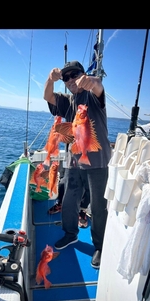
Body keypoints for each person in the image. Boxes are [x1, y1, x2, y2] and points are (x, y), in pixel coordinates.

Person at [43, 60, 111, 269]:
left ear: (82, 74)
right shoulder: (67, 101)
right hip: (74, 161)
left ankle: (99, 246)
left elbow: (98, 86)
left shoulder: (92, 95)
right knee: (69, 201)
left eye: (74, 75)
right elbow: (47, 96)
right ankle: (70, 234)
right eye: (66, 77)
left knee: (99, 208)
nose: (70, 79)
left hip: (98, 162)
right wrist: (50, 79)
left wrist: (92, 81)